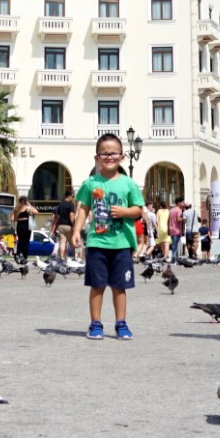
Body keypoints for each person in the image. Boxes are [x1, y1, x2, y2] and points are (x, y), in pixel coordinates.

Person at [71, 131, 144, 340]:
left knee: (120, 286)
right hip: (97, 241)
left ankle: (121, 323)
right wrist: (77, 230)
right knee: (97, 285)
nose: (109, 157)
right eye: (104, 154)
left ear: (122, 157)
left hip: (121, 243)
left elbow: (139, 210)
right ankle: (95, 323)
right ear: (97, 158)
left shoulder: (129, 184)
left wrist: (124, 212)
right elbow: (83, 208)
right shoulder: (90, 183)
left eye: (114, 153)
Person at [13, 197, 35, 264]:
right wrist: (30, 205)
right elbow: (36, 212)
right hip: (26, 225)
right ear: (26, 201)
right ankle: (24, 257)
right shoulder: (27, 207)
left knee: (20, 241)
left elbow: (15, 219)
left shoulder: (17, 209)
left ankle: (18, 254)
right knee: (26, 242)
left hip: (19, 225)